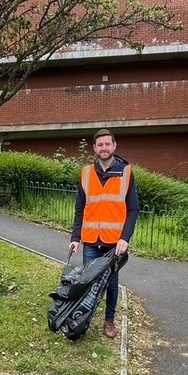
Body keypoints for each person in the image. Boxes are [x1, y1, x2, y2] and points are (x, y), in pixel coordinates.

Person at [69, 129, 139, 339]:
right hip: (90, 240)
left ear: (114, 146)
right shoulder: (86, 173)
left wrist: (125, 238)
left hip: (113, 242)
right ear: (95, 148)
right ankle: (83, 320)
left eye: (107, 144)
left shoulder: (126, 172)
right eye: (100, 145)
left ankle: (109, 320)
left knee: (111, 283)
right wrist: (75, 238)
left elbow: (133, 209)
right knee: (87, 282)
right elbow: (80, 208)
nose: (104, 148)